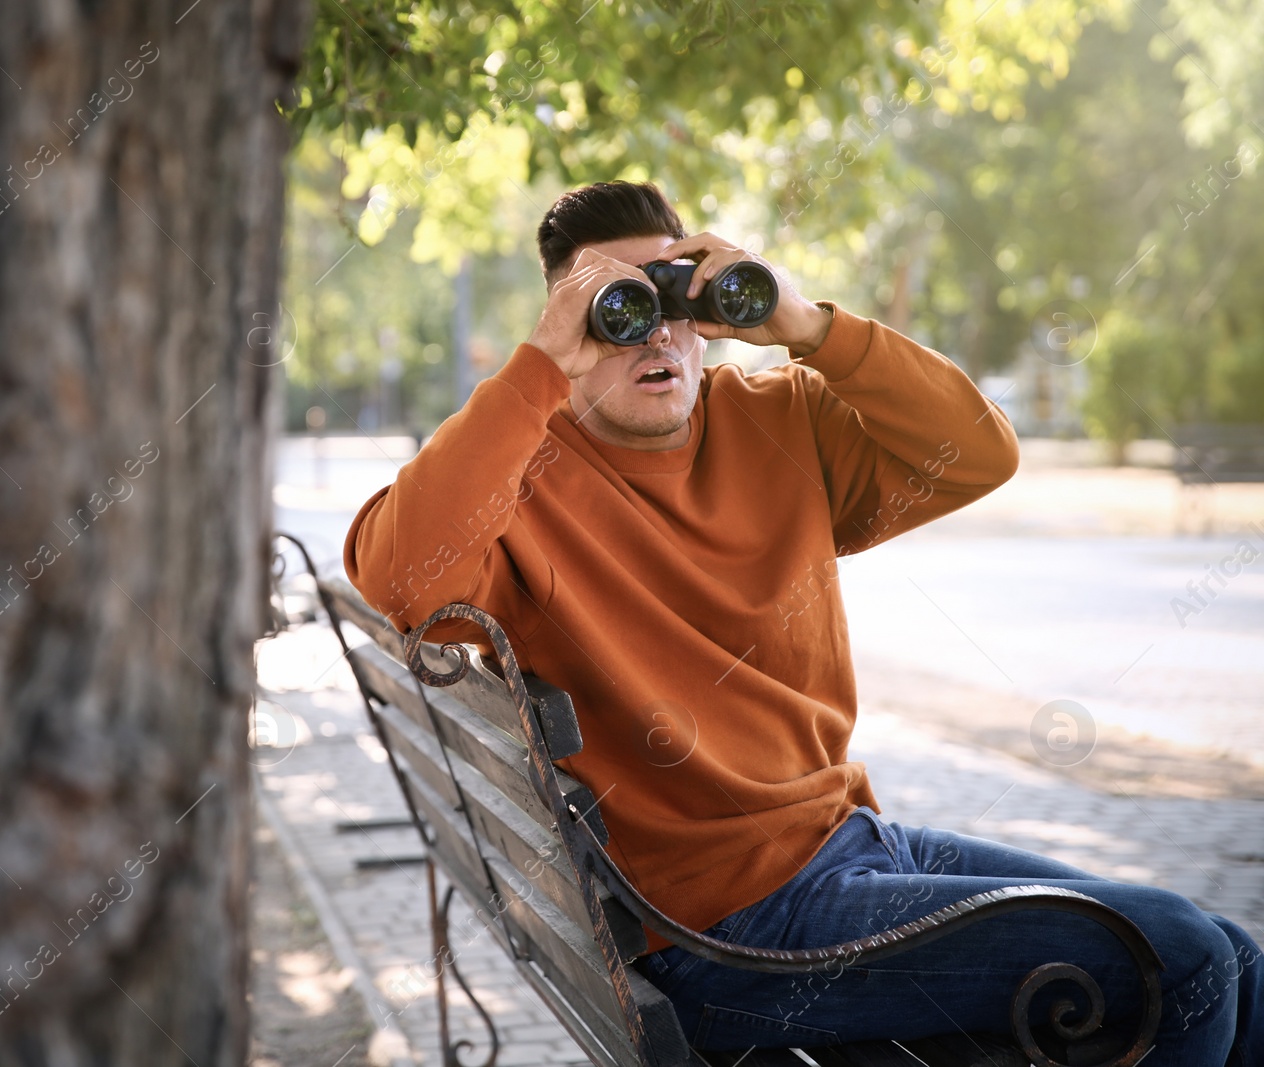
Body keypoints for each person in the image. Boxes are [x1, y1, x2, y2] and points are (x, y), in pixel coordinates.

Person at [341, 179, 1260, 1064]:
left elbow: (980, 451)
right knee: (1180, 956)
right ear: (563, 328)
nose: (655, 332)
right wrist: (539, 369)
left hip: (842, 847)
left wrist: (804, 323)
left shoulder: (781, 420)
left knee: (1236, 957)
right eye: (613, 313)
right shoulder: (522, 483)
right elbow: (399, 581)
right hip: (727, 935)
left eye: (676, 300)